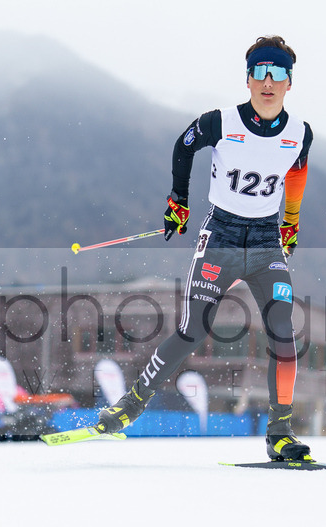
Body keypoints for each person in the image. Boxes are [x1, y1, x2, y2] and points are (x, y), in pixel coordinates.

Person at [96, 35, 314, 462]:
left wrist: (291, 220)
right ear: (248, 79)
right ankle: (131, 406)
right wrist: (178, 201)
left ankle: (280, 433)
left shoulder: (299, 134)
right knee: (193, 330)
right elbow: (184, 145)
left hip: (268, 242)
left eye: (278, 74)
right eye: (260, 73)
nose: (268, 82)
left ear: (290, 83)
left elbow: (297, 172)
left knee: (283, 334)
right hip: (221, 238)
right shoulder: (221, 121)